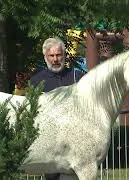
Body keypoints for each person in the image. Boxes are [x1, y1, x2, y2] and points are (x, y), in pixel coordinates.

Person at [30, 37, 84, 180]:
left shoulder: (77, 77)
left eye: (58, 55)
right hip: (50, 145)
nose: (55, 59)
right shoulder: (36, 81)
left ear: (64, 55)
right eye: (51, 55)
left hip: (75, 144)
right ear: (45, 57)